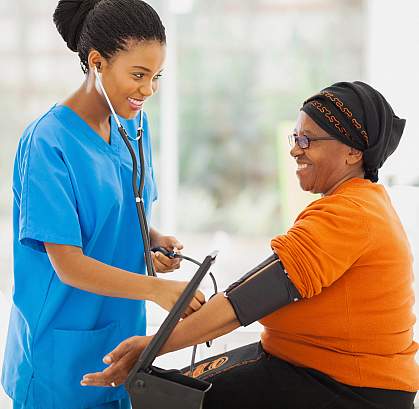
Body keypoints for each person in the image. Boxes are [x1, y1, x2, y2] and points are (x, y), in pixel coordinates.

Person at [83, 81, 419, 409]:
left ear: (353, 152)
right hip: (312, 366)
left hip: (343, 386)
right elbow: (250, 290)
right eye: (295, 137)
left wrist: (151, 348)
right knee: (174, 386)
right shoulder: (357, 203)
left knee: (166, 396)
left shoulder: (350, 214)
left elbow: (245, 301)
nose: (294, 148)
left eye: (308, 139)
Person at [1, 1, 205, 408]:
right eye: (138, 75)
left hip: (121, 341)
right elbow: (68, 263)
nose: (149, 90)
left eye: (157, 76)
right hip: (59, 356)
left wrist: (153, 240)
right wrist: (158, 290)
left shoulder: (132, 124)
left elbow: (126, 211)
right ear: (97, 62)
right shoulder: (48, 143)